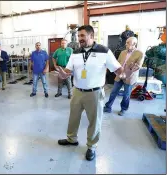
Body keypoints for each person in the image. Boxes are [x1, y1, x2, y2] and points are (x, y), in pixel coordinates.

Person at [57, 25, 123, 161]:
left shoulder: (104, 51)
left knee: (94, 120)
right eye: (79, 36)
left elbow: (117, 70)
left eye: (82, 36)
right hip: (77, 91)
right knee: (73, 117)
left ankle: (91, 146)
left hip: (94, 92)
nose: (79, 38)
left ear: (91, 36)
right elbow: (69, 70)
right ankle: (71, 139)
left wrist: (125, 72)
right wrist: (64, 75)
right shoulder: (76, 52)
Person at [104, 37, 144, 116]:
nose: (125, 44)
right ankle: (108, 107)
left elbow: (138, 66)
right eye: (126, 42)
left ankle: (123, 109)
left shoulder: (140, 53)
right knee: (113, 92)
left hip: (130, 77)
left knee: (126, 95)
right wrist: (116, 71)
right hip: (119, 76)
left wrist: (128, 72)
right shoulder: (123, 52)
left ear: (134, 44)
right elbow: (118, 63)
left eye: (128, 42)